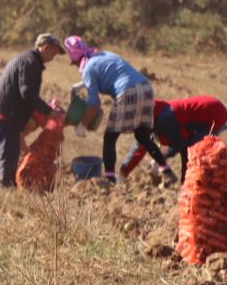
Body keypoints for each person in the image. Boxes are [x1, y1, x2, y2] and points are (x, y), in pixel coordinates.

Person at [65, 36, 171, 183]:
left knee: (110, 138)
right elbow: (113, 72)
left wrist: (82, 125)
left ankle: (109, 179)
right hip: (146, 88)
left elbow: (94, 104)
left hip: (127, 91)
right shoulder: (103, 55)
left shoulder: (87, 68)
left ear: (75, 59)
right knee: (142, 136)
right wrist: (83, 85)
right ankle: (167, 170)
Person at [0, 34, 62, 187]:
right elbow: (27, 93)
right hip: (5, 112)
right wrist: (48, 111)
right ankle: (6, 189)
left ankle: (7, 186)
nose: (55, 56)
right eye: (54, 51)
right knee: (8, 155)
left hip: (7, 112)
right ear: (46, 47)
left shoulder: (30, 60)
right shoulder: (30, 62)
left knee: (8, 153)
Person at [122, 95, 227, 179]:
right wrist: (124, 171)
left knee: (192, 150)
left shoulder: (165, 120)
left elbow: (181, 142)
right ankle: (185, 184)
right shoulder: (155, 114)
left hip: (214, 114)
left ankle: (192, 188)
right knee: (188, 150)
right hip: (208, 108)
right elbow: (140, 146)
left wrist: (162, 157)